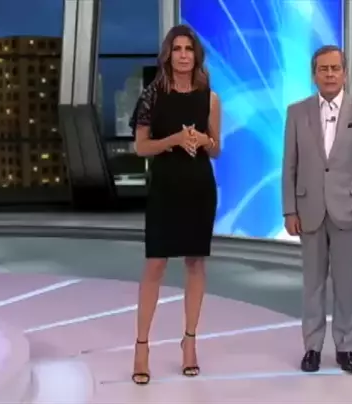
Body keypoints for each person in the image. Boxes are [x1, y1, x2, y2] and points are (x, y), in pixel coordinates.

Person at [281, 45, 352, 374]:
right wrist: (289, 210)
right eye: (323, 69)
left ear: (345, 73)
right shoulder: (297, 112)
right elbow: (289, 165)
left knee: (345, 285)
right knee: (312, 284)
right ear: (314, 75)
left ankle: (345, 347)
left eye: (335, 68)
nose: (329, 74)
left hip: (348, 211)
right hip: (308, 210)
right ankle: (312, 347)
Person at [129, 24, 221, 385]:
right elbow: (141, 147)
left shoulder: (210, 98)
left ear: (196, 55)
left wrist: (203, 140)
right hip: (165, 187)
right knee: (155, 264)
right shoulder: (152, 95)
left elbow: (217, 148)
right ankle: (141, 347)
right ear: (168, 55)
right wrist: (175, 139)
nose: (183, 55)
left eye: (189, 49)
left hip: (199, 187)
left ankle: (190, 342)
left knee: (195, 262)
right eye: (178, 49)